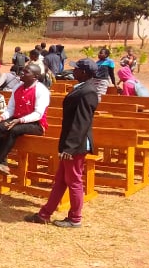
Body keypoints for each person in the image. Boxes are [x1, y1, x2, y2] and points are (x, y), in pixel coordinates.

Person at [24, 59, 100, 228]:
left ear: (85, 73)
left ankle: (75, 218)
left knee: (74, 181)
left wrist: (70, 147)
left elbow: (81, 122)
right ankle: (45, 214)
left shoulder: (88, 92)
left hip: (76, 145)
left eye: (77, 69)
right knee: (60, 180)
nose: (74, 70)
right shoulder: (81, 88)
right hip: (71, 143)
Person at [0, 63, 50, 176]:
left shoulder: (41, 91)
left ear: (35, 77)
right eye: (23, 70)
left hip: (36, 124)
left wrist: (19, 120)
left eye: (26, 72)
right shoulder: (17, 87)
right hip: (17, 120)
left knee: (14, 130)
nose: (22, 73)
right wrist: (1, 118)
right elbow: (11, 109)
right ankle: (2, 163)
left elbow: (38, 114)